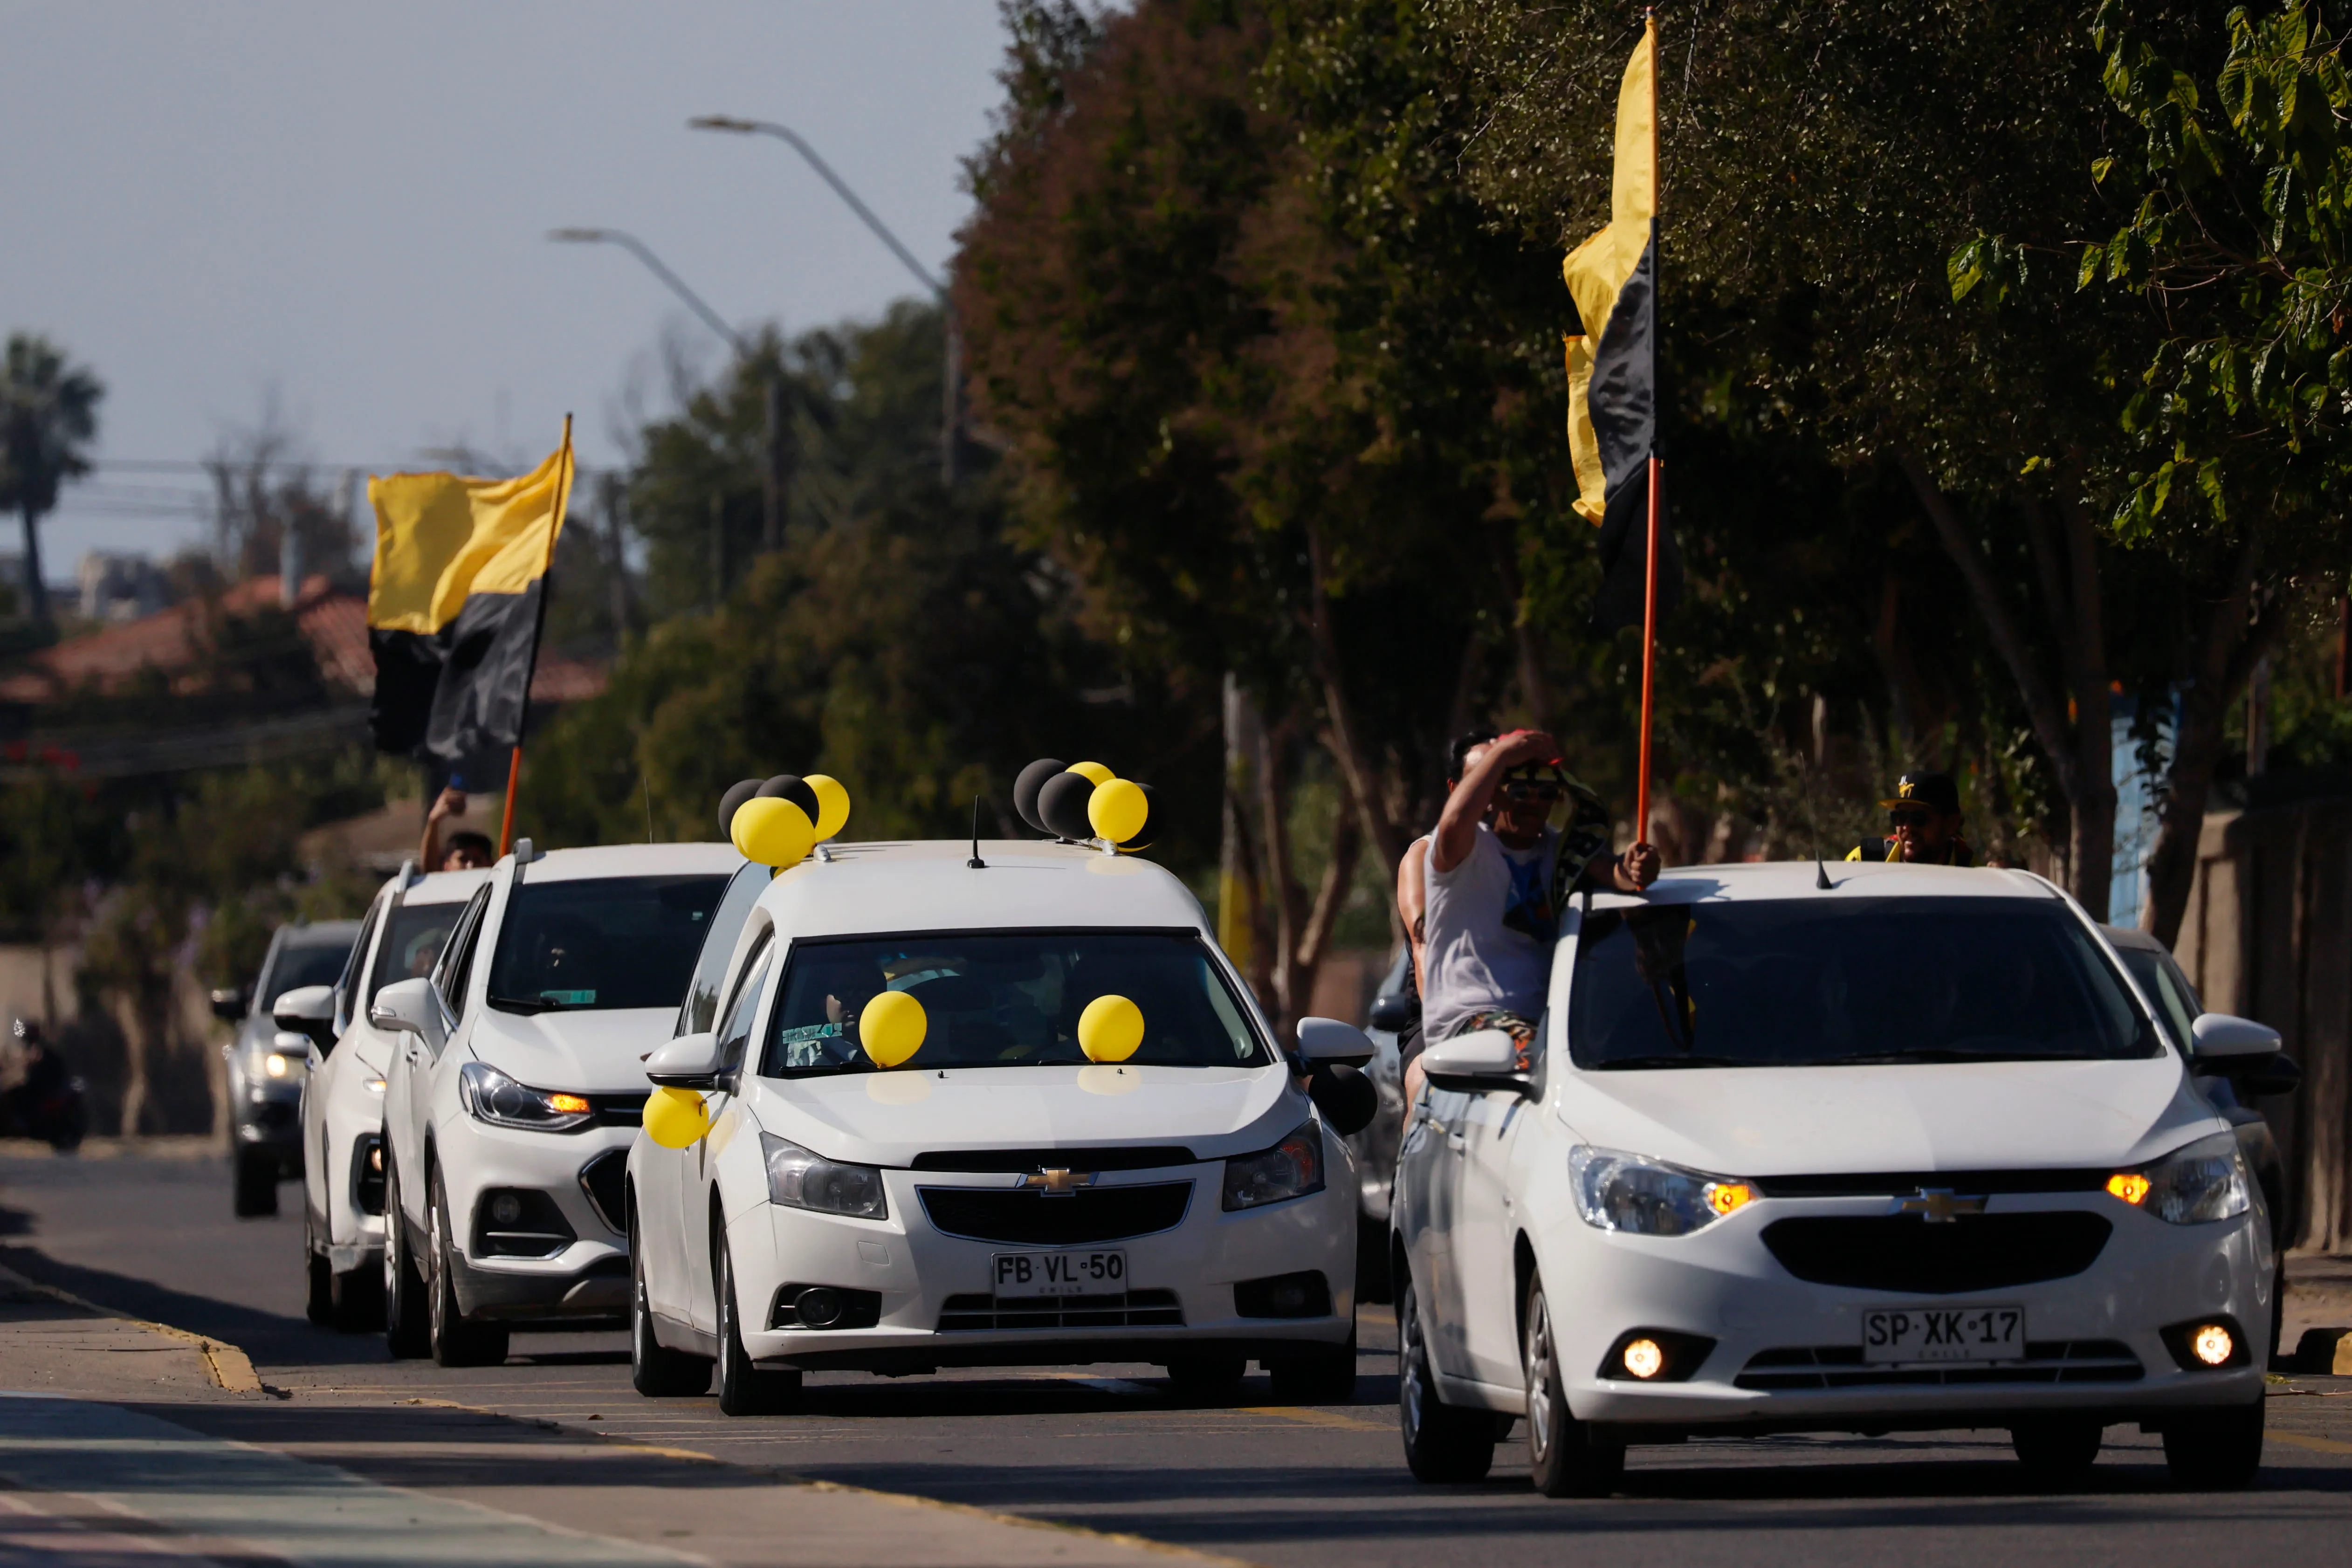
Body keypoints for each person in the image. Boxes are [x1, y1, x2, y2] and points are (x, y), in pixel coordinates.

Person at [1421, 728, 1660, 1073]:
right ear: (1497, 796)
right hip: (1469, 1028)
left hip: (1550, 1028)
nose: (1533, 803)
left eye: (1546, 792)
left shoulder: (1562, 851)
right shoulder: (1464, 851)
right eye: (1519, 791)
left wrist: (1639, 868)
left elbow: (1618, 872)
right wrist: (1502, 754)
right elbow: (1454, 821)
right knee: (1546, 1067)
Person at [1394, 730, 1496, 1107]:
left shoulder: (1531, 855)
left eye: (1500, 779)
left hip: (1519, 1013)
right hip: (1442, 1016)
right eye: (1479, 780)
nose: (1490, 794)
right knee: (1425, 1083)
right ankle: (1414, 1164)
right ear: (1456, 788)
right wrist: (1448, 1035)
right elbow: (1426, 951)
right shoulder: (1423, 858)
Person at [1845, 771, 1974, 866]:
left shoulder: (1976, 874)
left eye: (1919, 818)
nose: (1907, 827)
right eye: (1900, 817)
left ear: (1951, 824)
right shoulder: (1864, 862)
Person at [420, 786, 495, 871]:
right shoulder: (442, 883)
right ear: (447, 866)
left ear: (491, 864)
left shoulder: (498, 883)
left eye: (478, 860)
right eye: (463, 860)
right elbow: (430, 874)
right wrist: (433, 821)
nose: (470, 866)